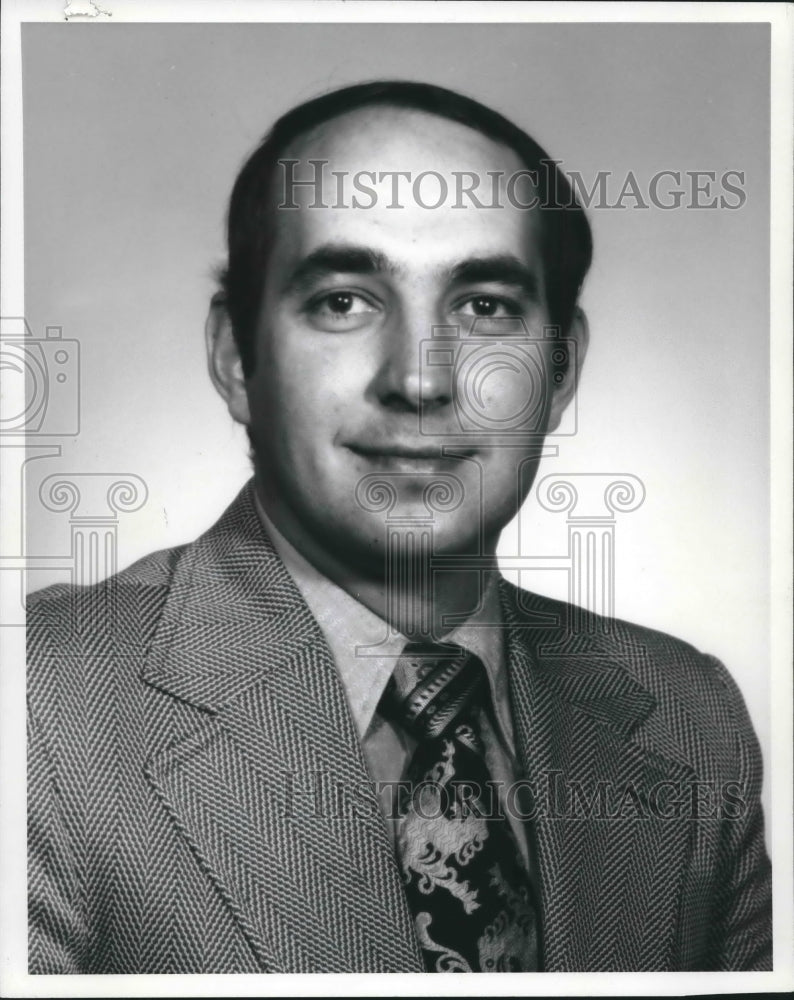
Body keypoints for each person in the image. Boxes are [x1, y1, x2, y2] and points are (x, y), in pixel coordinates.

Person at [27, 80, 772, 974]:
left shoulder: (692, 718)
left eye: (485, 306)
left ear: (561, 369)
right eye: (344, 300)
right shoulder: (37, 710)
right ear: (235, 357)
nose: (420, 380)